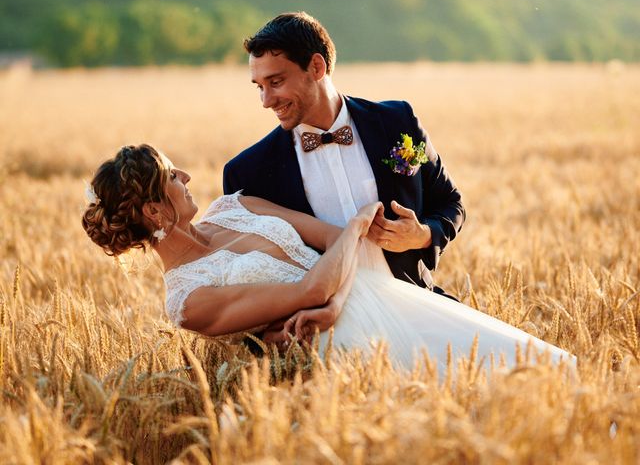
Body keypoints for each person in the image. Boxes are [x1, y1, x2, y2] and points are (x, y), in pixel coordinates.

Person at [82, 145, 574, 372]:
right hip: (351, 352)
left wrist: (341, 266)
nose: (186, 175)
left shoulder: (236, 206)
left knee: (531, 371)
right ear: (152, 210)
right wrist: (360, 221)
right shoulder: (188, 300)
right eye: (172, 175)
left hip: (384, 298)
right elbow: (310, 288)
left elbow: (332, 245)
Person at [223, 12, 465, 298]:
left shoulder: (397, 121)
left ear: (316, 66)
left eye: (275, 82)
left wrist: (422, 235)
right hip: (325, 328)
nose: (265, 101)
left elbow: (451, 204)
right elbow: (250, 276)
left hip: (415, 300)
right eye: (259, 87)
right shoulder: (247, 173)